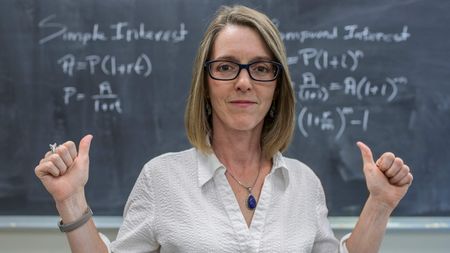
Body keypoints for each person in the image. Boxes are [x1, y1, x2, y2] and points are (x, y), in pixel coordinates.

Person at [35, 5, 413, 253]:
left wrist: (379, 204)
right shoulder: (161, 178)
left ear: (277, 87)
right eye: (227, 66)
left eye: (261, 68)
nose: (244, 82)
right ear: (206, 84)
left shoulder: (303, 184)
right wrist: (70, 200)